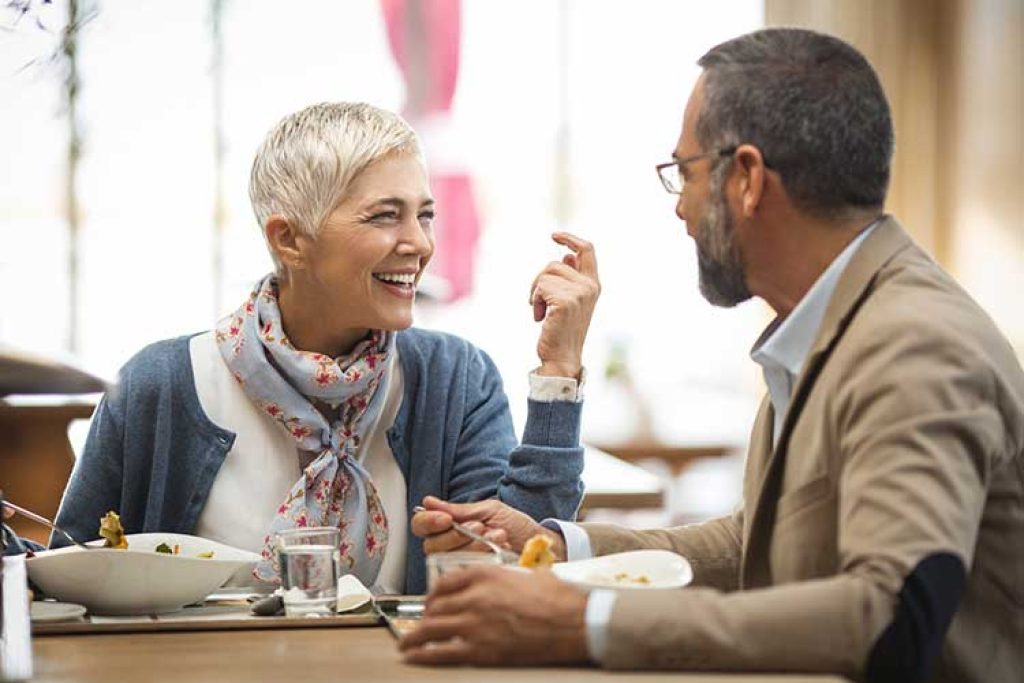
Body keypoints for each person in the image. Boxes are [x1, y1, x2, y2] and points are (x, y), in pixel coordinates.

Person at [401, 28, 1024, 682]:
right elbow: (748, 542)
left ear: (748, 178)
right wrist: (556, 544)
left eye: (686, 174)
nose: (682, 210)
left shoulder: (910, 344)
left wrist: (582, 621)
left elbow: (889, 614)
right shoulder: (837, 322)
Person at [3, 102, 600, 595]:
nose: (418, 243)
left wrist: (559, 372)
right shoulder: (160, 384)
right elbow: (69, 582)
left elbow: (517, 561)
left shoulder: (455, 378)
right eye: (384, 217)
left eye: (424, 215)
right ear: (288, 239)